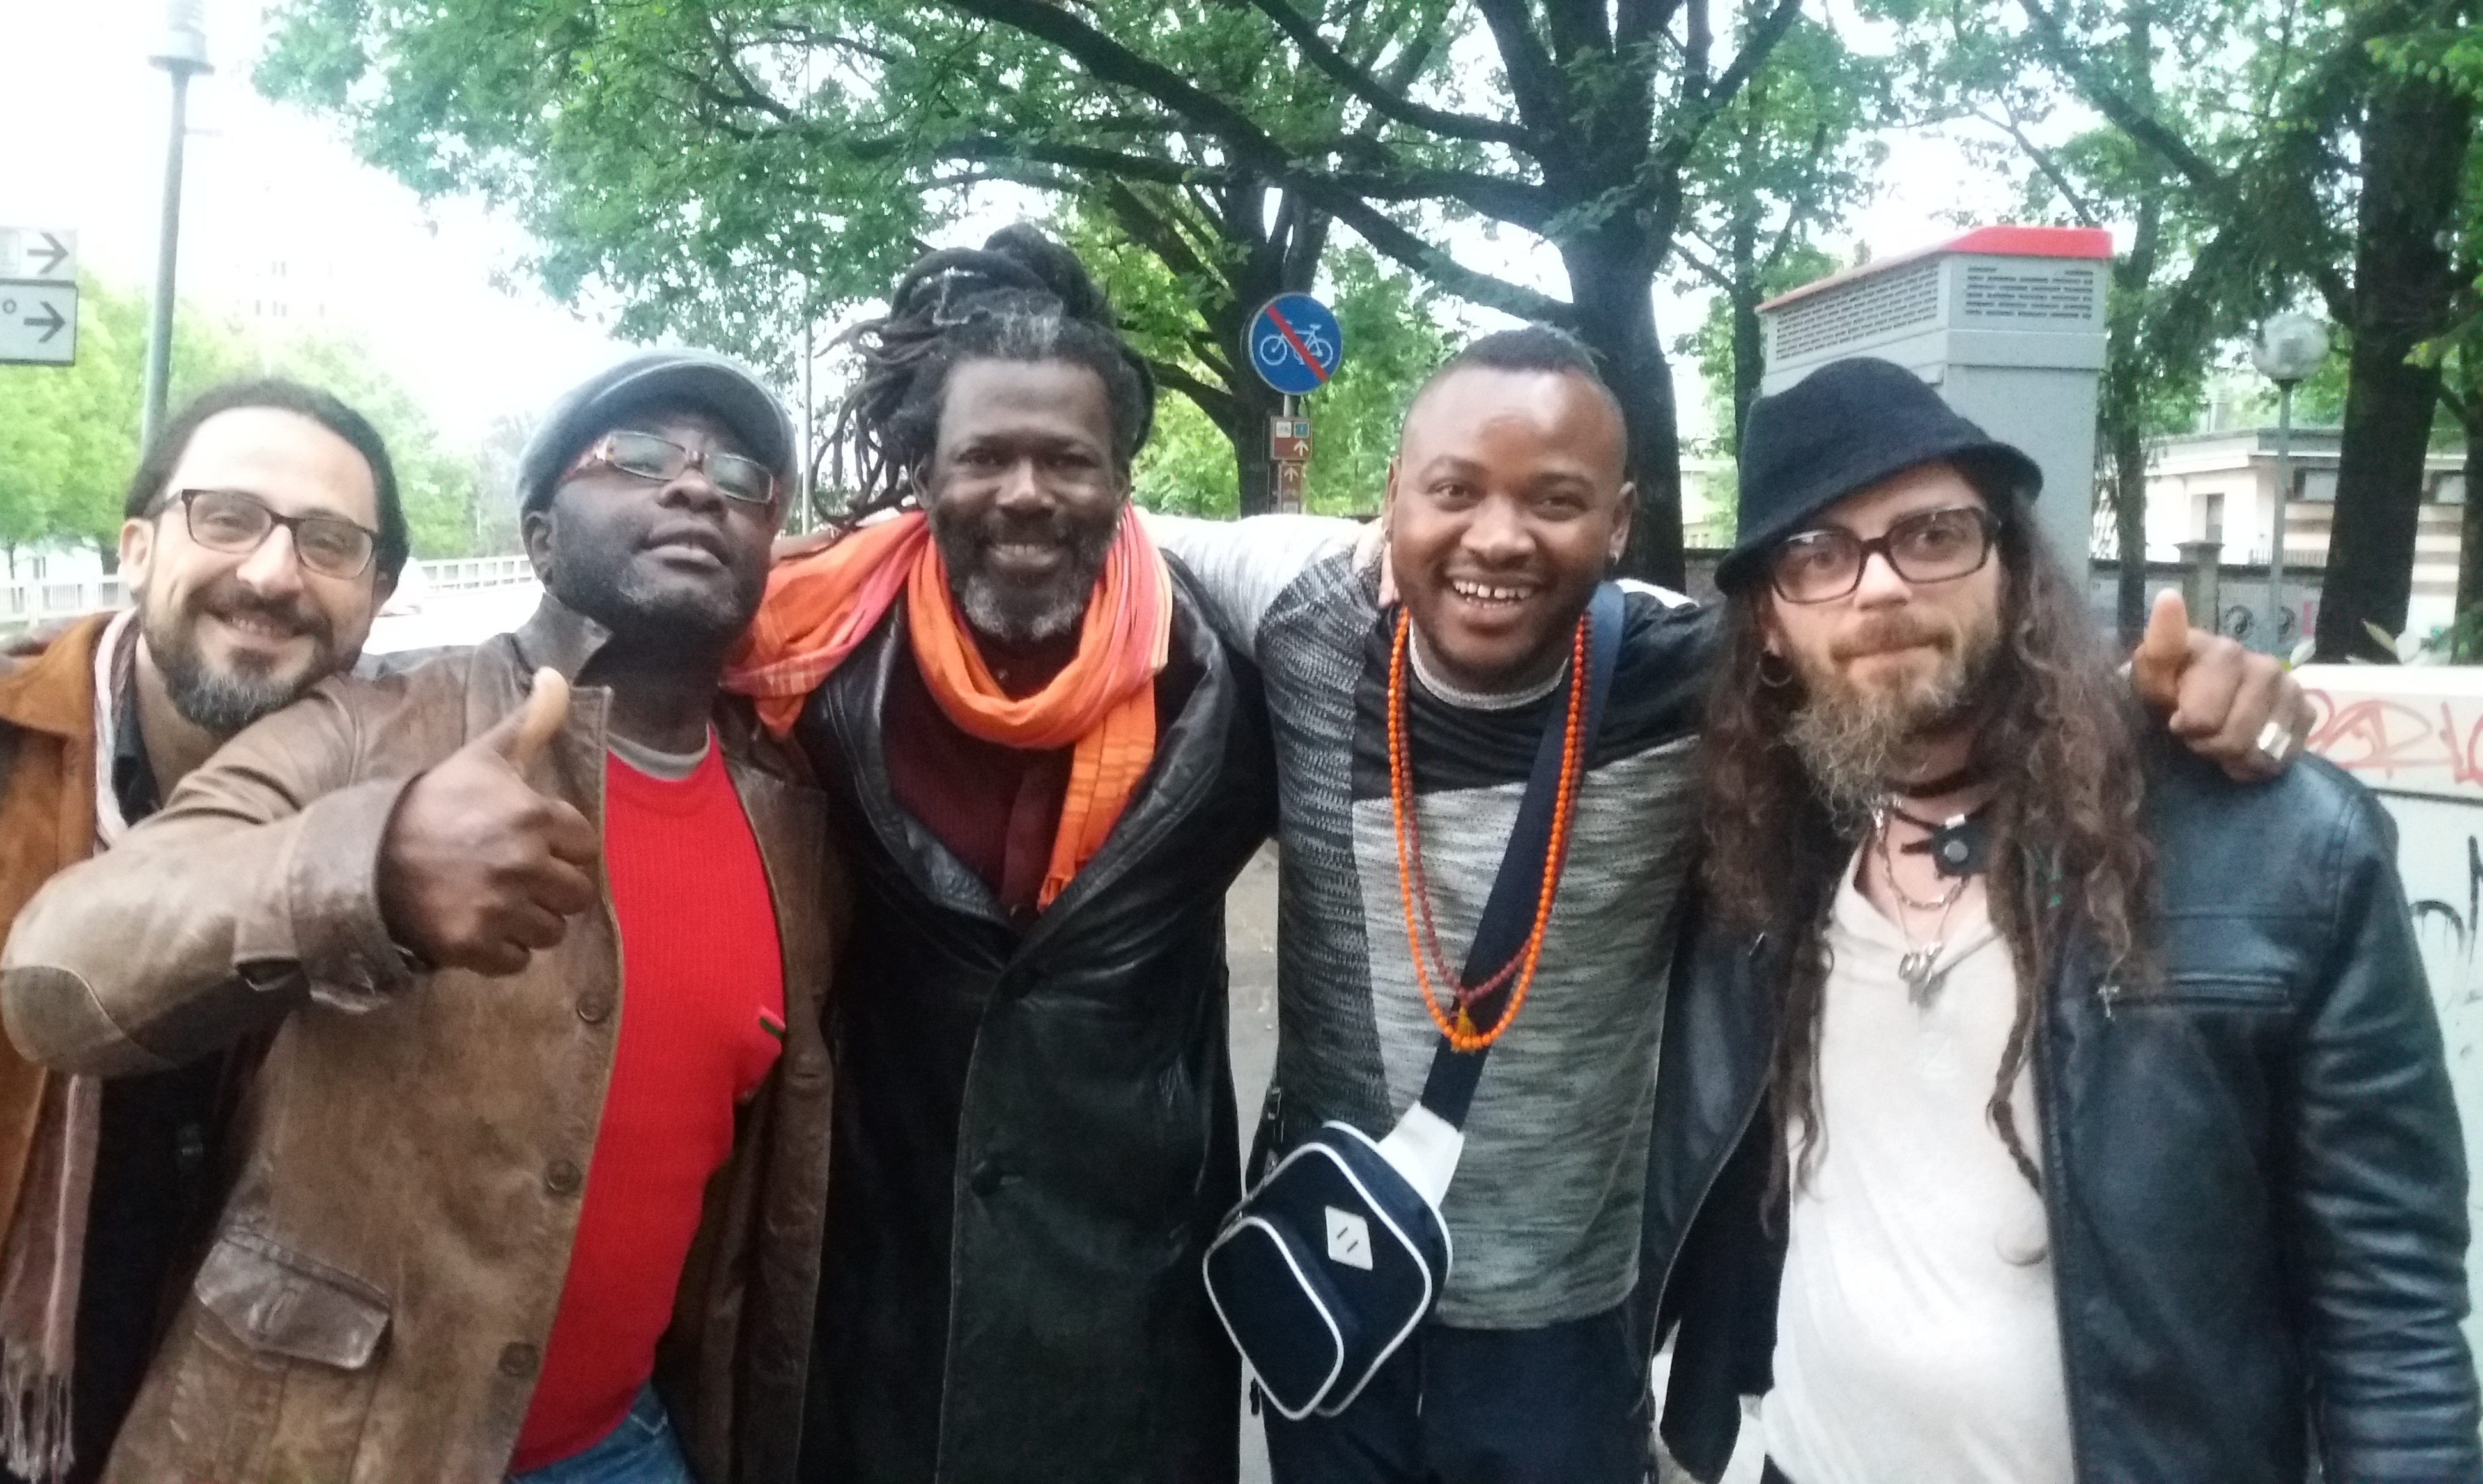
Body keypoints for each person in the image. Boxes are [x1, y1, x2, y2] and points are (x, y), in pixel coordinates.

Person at [1145, 331, 2310, 1484]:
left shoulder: (1693, 677)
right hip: (1332, 1274)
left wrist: (2175, 697)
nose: (1497, 536)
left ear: (1618, 521)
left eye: (1555, 500)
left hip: (1566, 1321)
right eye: (1453, 491)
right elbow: (1088, 509)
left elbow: (1944, 681)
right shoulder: (1304, 604)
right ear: (1394, 492)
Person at [0, 351, 841, 1484]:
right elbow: (59, 972)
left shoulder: (793, 823)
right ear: (541, 537)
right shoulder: (369, 727)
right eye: (639, 456)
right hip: (311, 1454)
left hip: (623, 1445)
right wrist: (371, 870)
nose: (697, 485)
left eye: (740, 476)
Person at [1639, 355, 2480, 1483]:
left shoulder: (2269, 844)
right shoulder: (1767, 843)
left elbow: (2394, 1315)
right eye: (1818, 554)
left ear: (2012, 565)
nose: (1879, 587)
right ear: (1770, 625)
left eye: (1932, 534)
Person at [725, 225, 1274, 1484]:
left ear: (1122, 479)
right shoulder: (808, 671)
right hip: (883, 1296)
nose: (1025, 491)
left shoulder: (1228, 687)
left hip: (1135, 1308)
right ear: (927, 471)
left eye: (1067, 458)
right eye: (984, 456)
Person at [0, 380, 405, 1484]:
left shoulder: (376, 828)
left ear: (379, 592)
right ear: (137, 549)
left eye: (329, 542)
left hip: (166, 1430)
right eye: (227, 517)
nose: (272, 572)